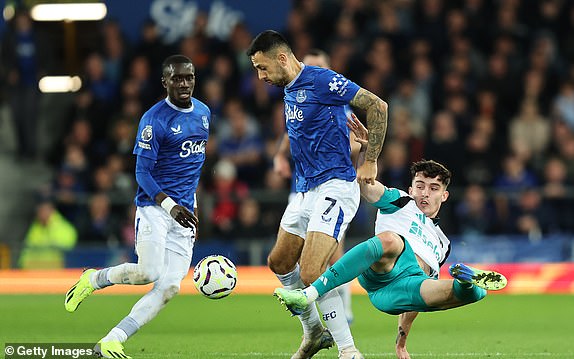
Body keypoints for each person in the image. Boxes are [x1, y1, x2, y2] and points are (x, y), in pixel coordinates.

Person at [275, 117, 507, 359]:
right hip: (381, 272)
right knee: (391, 240)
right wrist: (366, 153)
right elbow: (366, 186)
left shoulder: (442, 243)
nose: (425, 193)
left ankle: (466, 281)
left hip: (404, 291)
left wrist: (401, 342)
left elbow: (413, 305)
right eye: (420, 185)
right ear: (411, 189)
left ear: (445, 196)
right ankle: (308, 295)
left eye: (433, 188)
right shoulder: (400, 201)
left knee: (476, 293)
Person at [247, 30, 389, 359]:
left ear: (282, 58)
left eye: (263, 68)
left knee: (312, 272)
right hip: (304, 190)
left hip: (336, 186)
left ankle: (349, 351)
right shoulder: (288, 88)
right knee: (278, 262)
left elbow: (377, 106)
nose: (261, 76)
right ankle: (313, 333)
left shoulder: (322, 81)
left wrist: (369, 160)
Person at [64, 55, 210, 359]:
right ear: (165, 82)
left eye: (189, 77)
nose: (184, 83)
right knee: (148, 273)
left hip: (183, 213)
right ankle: (93, 278)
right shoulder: (153, 120)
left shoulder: (204, 114)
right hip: (155, 209)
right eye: (177, 78)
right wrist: (171, 206)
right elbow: (142, 174)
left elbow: (192, 169)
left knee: (170, 287)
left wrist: (193, 207)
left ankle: (112, 339)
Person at [273, 48, 358, 324]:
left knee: (330, 254)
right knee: (291, 259)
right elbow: (292, 130)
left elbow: (355, 141)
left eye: (318, 67)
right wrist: (279, 156)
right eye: (308, 66)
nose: (310, 72)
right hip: (302, 188)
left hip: (331, 185)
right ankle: (310, 317)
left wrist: (361, 156)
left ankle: (343, 309)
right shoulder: (296, 94)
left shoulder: (337, 102)